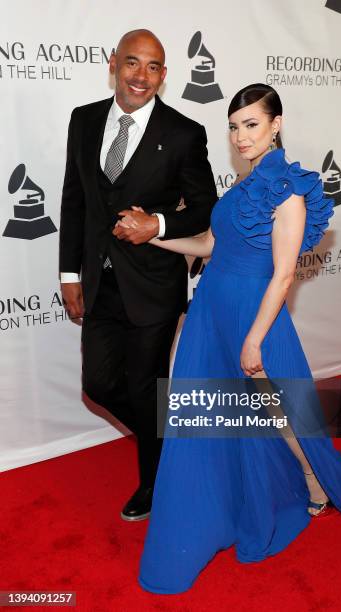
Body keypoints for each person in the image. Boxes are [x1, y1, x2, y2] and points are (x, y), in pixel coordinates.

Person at [118, 83, 341, 594]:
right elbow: (209, 244)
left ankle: (315, 478)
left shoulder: (291, 189)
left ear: (276, 124)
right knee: (212, 412)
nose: (240, 135)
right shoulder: (239, 190)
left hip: (255, 314)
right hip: (211, 312)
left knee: (277, 410)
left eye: (251, 124)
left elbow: (282, 275)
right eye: (234, 126)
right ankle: (218, 500)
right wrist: (154, 235)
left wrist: (255, 338)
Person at [58, 29, 217, 522]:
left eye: (153, 67)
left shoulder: (185, 132)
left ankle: (155, 481)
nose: (141, 76)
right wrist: (70, 273)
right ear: (113, 64)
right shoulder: (83, 121)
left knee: (148, 386)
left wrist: (158, 225)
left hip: (154, 286)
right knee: (100, 385)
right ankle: (175, 451)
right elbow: (74, 199)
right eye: (132, 63)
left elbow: (207, 208)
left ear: (164, 75)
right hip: (100, 285)